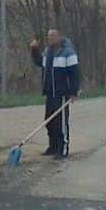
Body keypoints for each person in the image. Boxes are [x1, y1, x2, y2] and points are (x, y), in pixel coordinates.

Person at [28, 28, 81, 158]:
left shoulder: (68, 52)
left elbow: (75, 72)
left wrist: (73, 91)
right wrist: (34, 50)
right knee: (49, 121)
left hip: (62, 94)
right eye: (48, 36)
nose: (50, 38)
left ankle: (62, 149)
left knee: (60, 123)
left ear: (59, 37)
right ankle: (52, 146)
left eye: (52, 36)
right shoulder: (48, 52)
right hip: (50, 93)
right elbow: (41, 62)